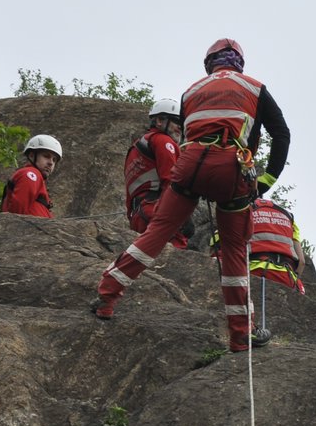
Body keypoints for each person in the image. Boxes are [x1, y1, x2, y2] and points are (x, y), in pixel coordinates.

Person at [94, 38, 291, 352]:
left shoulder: (191, 91)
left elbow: (188, 135)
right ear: (238, 60)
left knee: (158, 232)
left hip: (189, 167)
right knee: (234, 250)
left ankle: (106, 295)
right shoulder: (255, 88)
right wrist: (264, 182)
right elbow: (281, 134)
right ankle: (241, 335)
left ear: (209, 63)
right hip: (231, 168)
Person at [210, 197, 305, 347]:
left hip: (252, 271)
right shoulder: (287, 216)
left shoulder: (240, 210)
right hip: (287, 275)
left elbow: (218, 248)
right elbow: (302, 262)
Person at [125, 98, 193, 248]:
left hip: (139, 214)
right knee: (175, 255)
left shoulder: (136, 148)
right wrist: (184, 217)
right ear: (160, 121)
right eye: (176, 122)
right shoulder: (163, 141)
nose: (180, 128)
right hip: (157, 210)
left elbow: (130, 194)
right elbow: (171, 181)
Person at [0, 134, 61, 217]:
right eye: (46, 156)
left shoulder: (35, 178)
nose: (51, 163)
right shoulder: (31, 174)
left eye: (54, 160)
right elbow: (17, 212)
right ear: (32, 155)